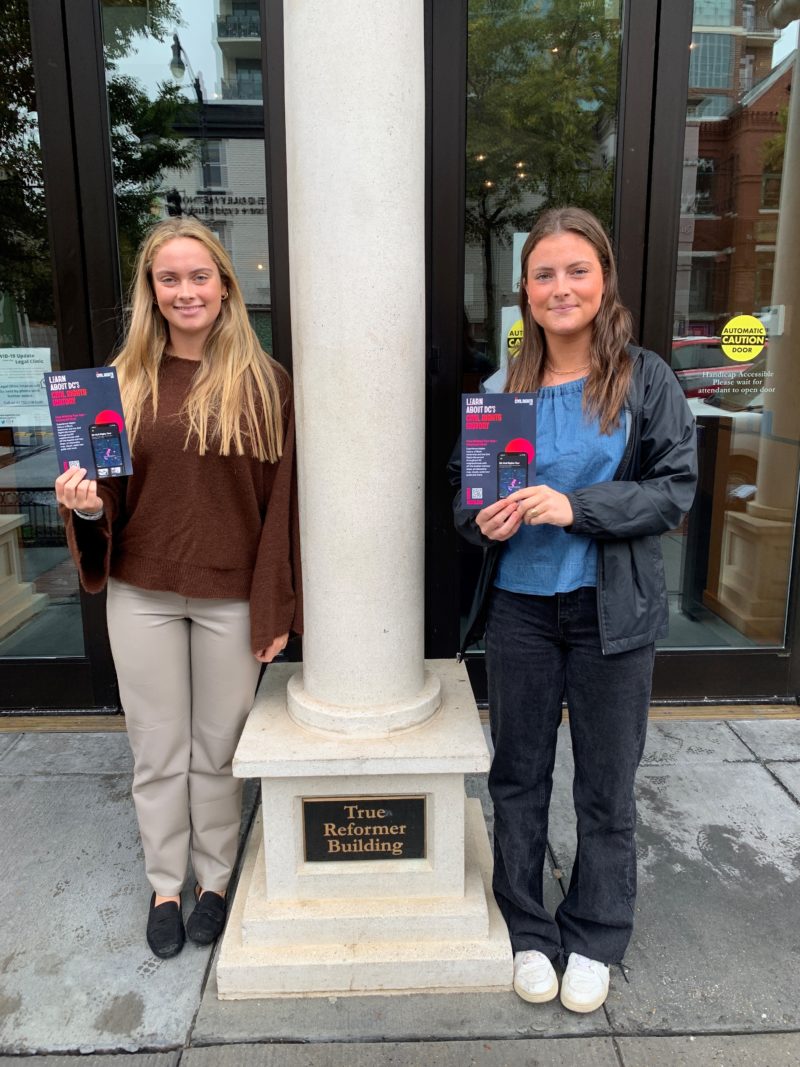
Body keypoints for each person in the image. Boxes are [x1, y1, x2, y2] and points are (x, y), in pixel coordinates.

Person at [453, 207, 697, 1013]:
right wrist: (477, 516)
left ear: (604, 280)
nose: (561, 287)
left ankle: (595, 931)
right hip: (521, 610)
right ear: (524, 289)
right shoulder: (501, 385)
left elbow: (672, 489)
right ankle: (527, 925)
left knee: (606, 783)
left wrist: (576, 506)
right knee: (517, 774)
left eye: (577, 271)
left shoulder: (644, 376)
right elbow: (466, 493)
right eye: (545, 273)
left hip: (609, 612)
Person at [55, 218, 302, 959]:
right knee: (157, 747)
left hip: (230, 596)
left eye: (200, 276)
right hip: (143, 590)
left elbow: (281, 508)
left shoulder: (265, 384)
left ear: (225, 286)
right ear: (151, 291)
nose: (186, 291)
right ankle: (166, 882)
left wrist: (275, 605)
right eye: (170, 278)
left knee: (218, 749)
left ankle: (215, 879)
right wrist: (89, 506)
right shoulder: (118, 383)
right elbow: (107, 495)